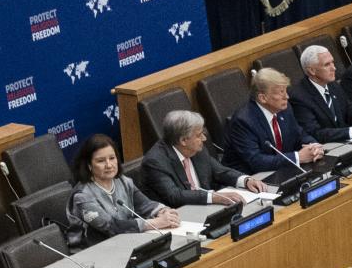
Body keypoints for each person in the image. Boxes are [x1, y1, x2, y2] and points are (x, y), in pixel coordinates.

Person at [135, 109, 270, 210]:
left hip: (207, 209)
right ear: (183, 140)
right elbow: (175, 196)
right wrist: (214, 197)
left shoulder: (196, 149)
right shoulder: (155, 161)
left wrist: (246, 180)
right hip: (182, 216)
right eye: (199, 135)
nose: (204, 139)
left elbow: (220, 171)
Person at [220, 66, 324, 181]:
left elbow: (299, 134)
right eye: (281, 93)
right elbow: (257, 161)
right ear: (262, 98)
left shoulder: (284, 108)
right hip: (253, 179)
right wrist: (298, 157)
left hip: (282, 171)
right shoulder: (243, 121)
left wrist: (314, 146)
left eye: (285, 91)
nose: (287, 97)